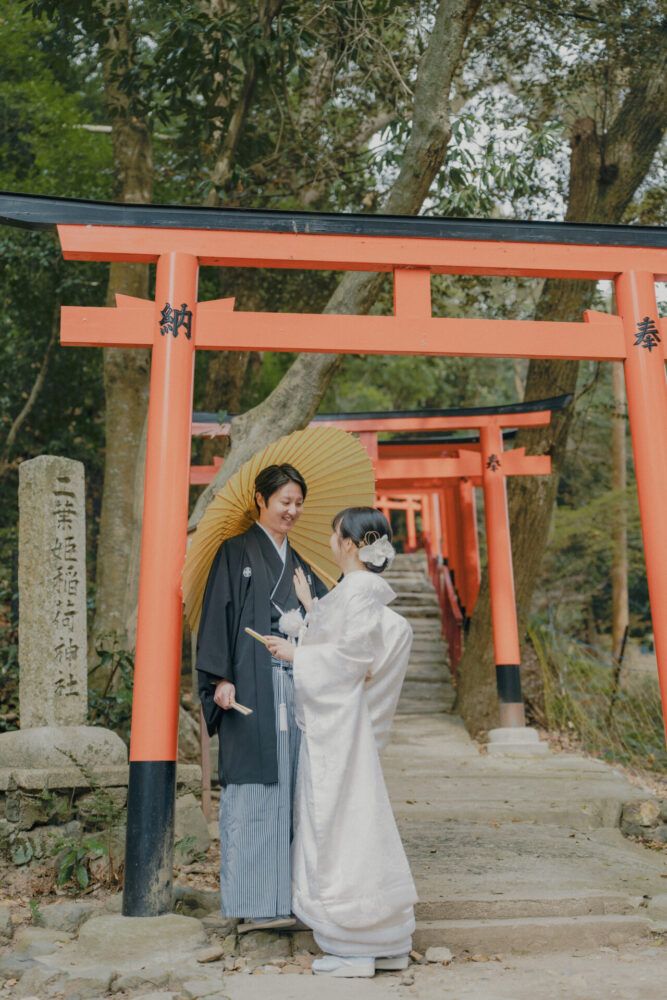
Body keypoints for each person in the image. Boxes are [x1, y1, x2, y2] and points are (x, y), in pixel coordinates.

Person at [265, 507, 417, 978]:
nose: (330, 540)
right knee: (357, 820)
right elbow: (347, 641)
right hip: (342, 725)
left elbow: (352, 658)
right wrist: (311, 609)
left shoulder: (359, 592)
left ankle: (353, 945)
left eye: (335, 534)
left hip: (339, 729)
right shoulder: (358, 591)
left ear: (350, 544)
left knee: (337, 824)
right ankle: (385, 941)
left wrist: (296, 653)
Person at [196, 463, 328, 933]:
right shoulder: (234, 552)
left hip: (297, 685)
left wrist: (309, 619)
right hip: (250, 685)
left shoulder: (300, 564)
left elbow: (326, 621)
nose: (291, 511)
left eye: (297, 503)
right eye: (283, 502)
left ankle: (293, 898)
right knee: (254, 790)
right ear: (260, 500)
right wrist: (219, 679)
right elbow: (217, 616)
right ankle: (253, 900)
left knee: (295, 787)